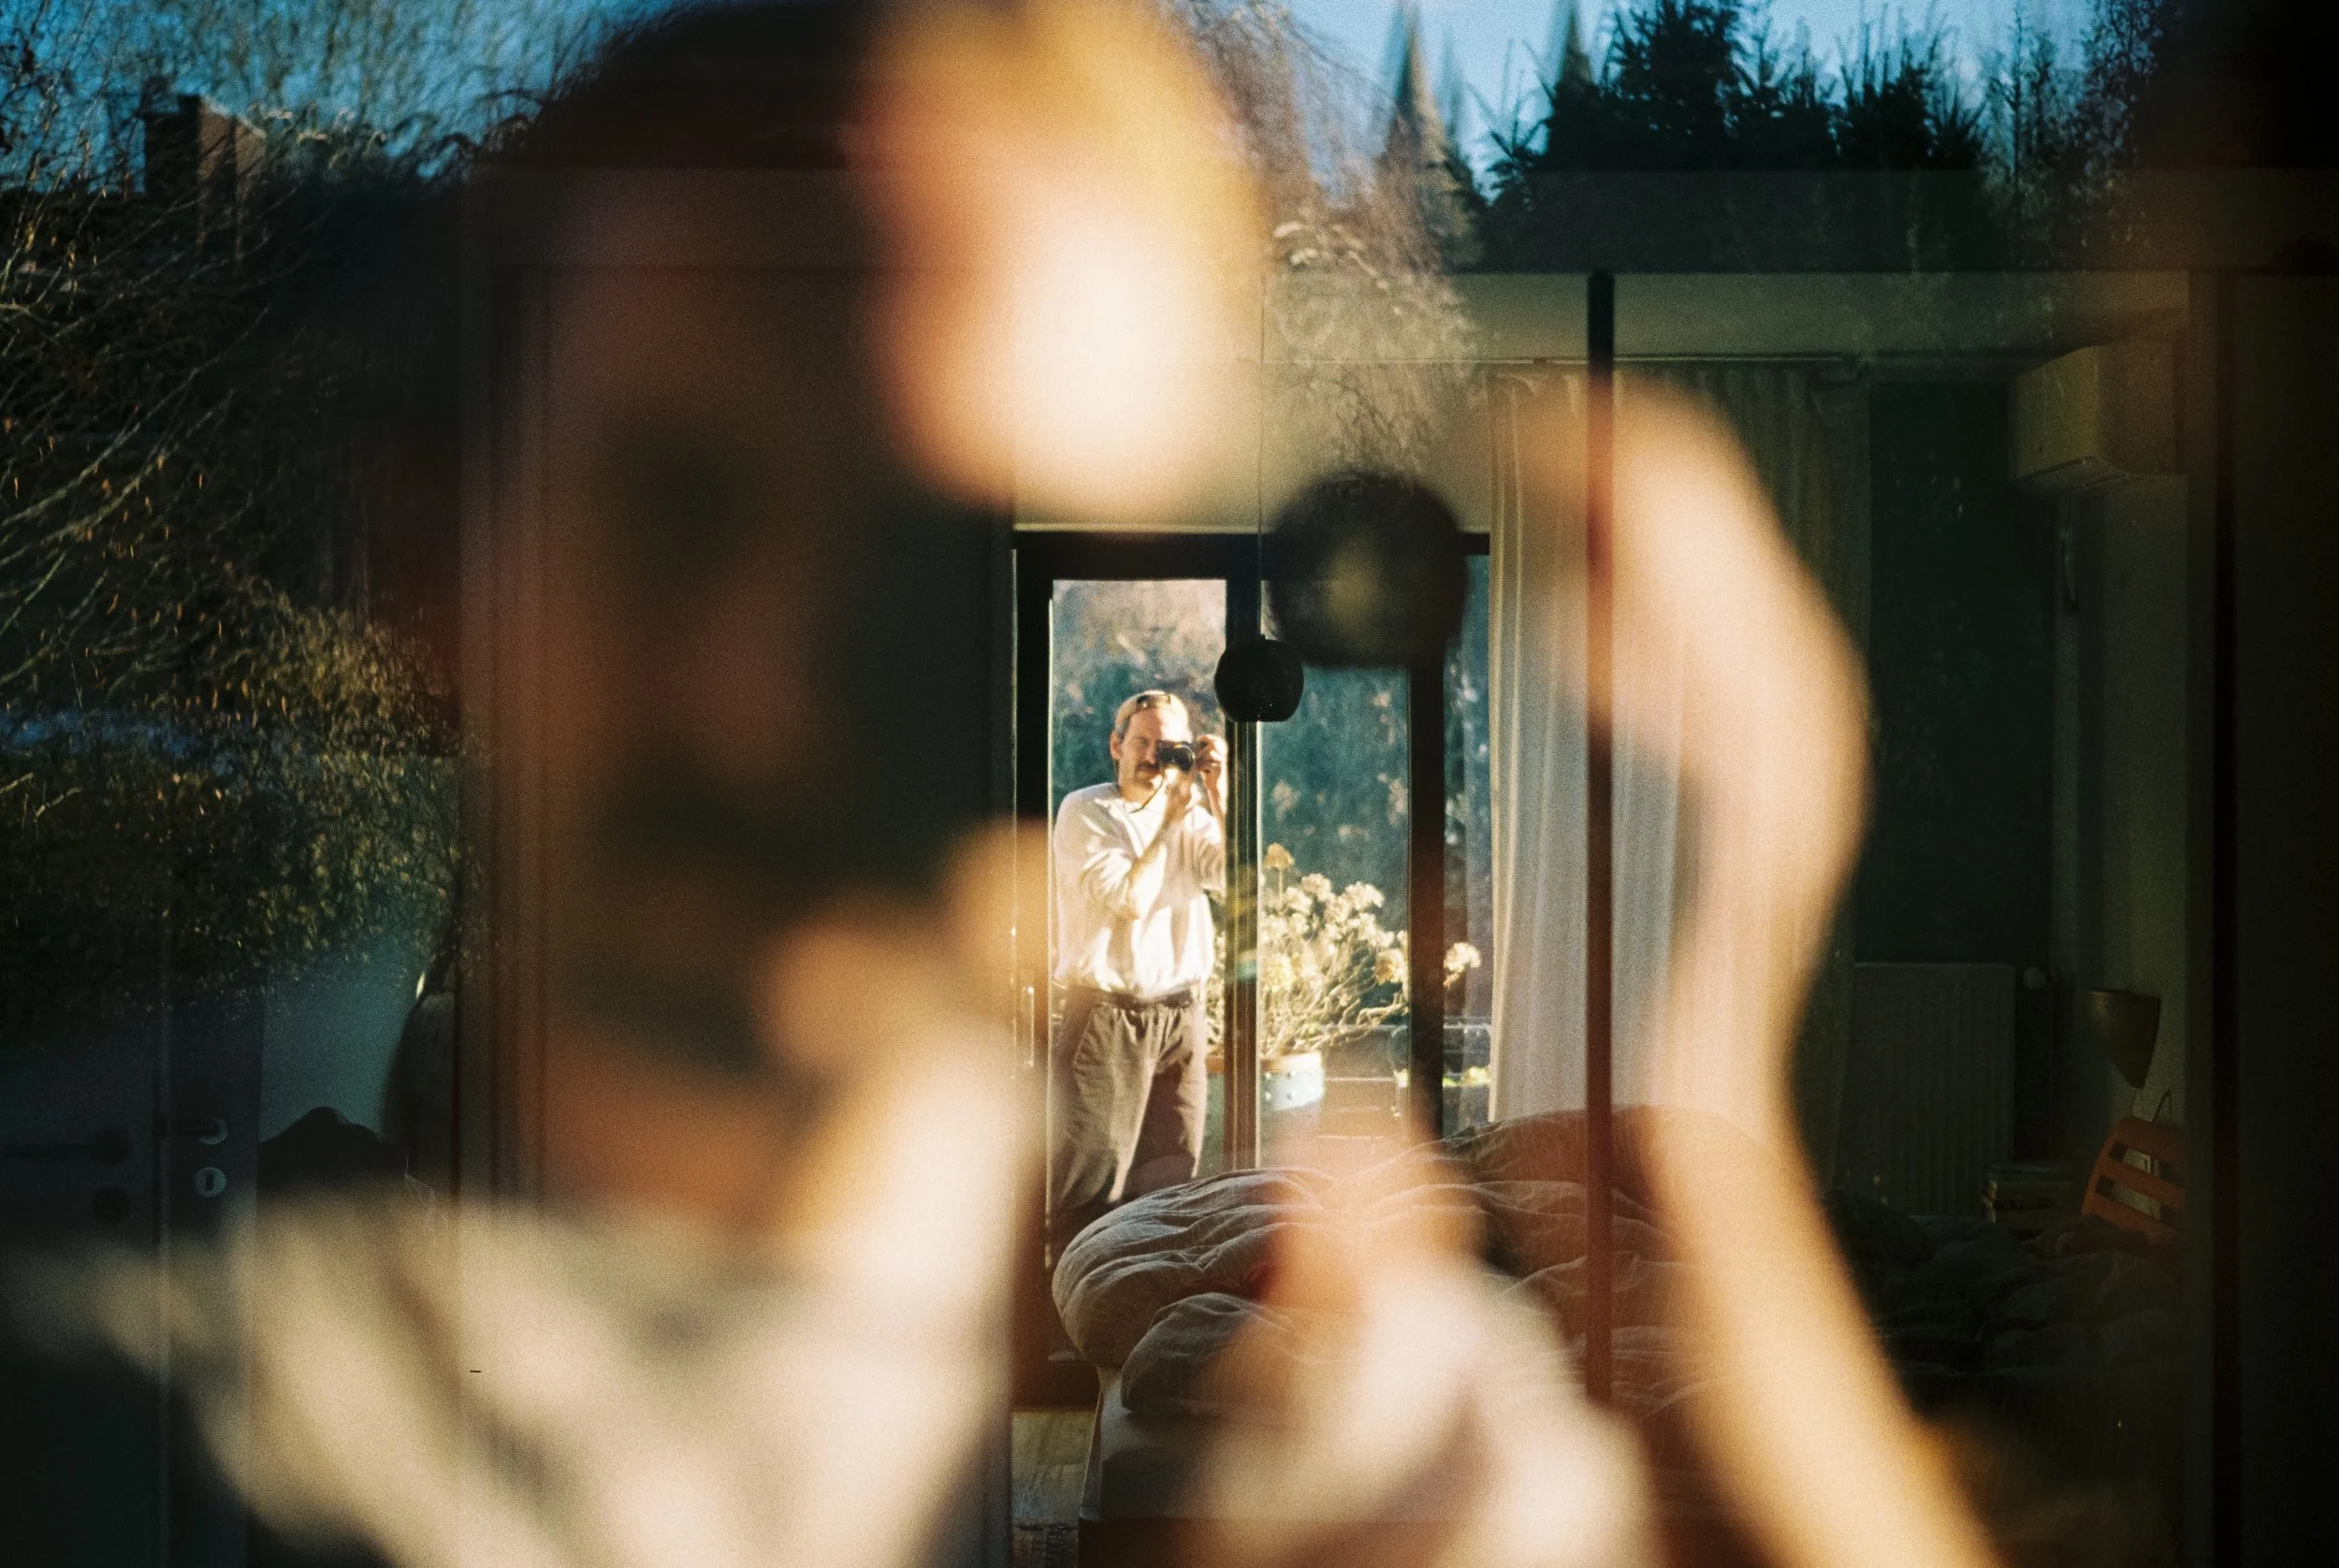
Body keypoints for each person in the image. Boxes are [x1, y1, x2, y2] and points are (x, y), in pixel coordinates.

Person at [1050, 690, 1227, 1253]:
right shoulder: (1086, 810)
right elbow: (1131, 898)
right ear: (1115, 744)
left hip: (1181, 1017)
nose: (1154, 756)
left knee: (1171, 1187)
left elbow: (1232, 878)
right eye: (1142, 741)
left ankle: (1143, 1322)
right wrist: (1172, 820)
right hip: (1106, 1020)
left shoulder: (1193, 813)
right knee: (1090, 1189)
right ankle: (1065, 1331)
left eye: (1169, 745)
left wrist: (1220, 793)